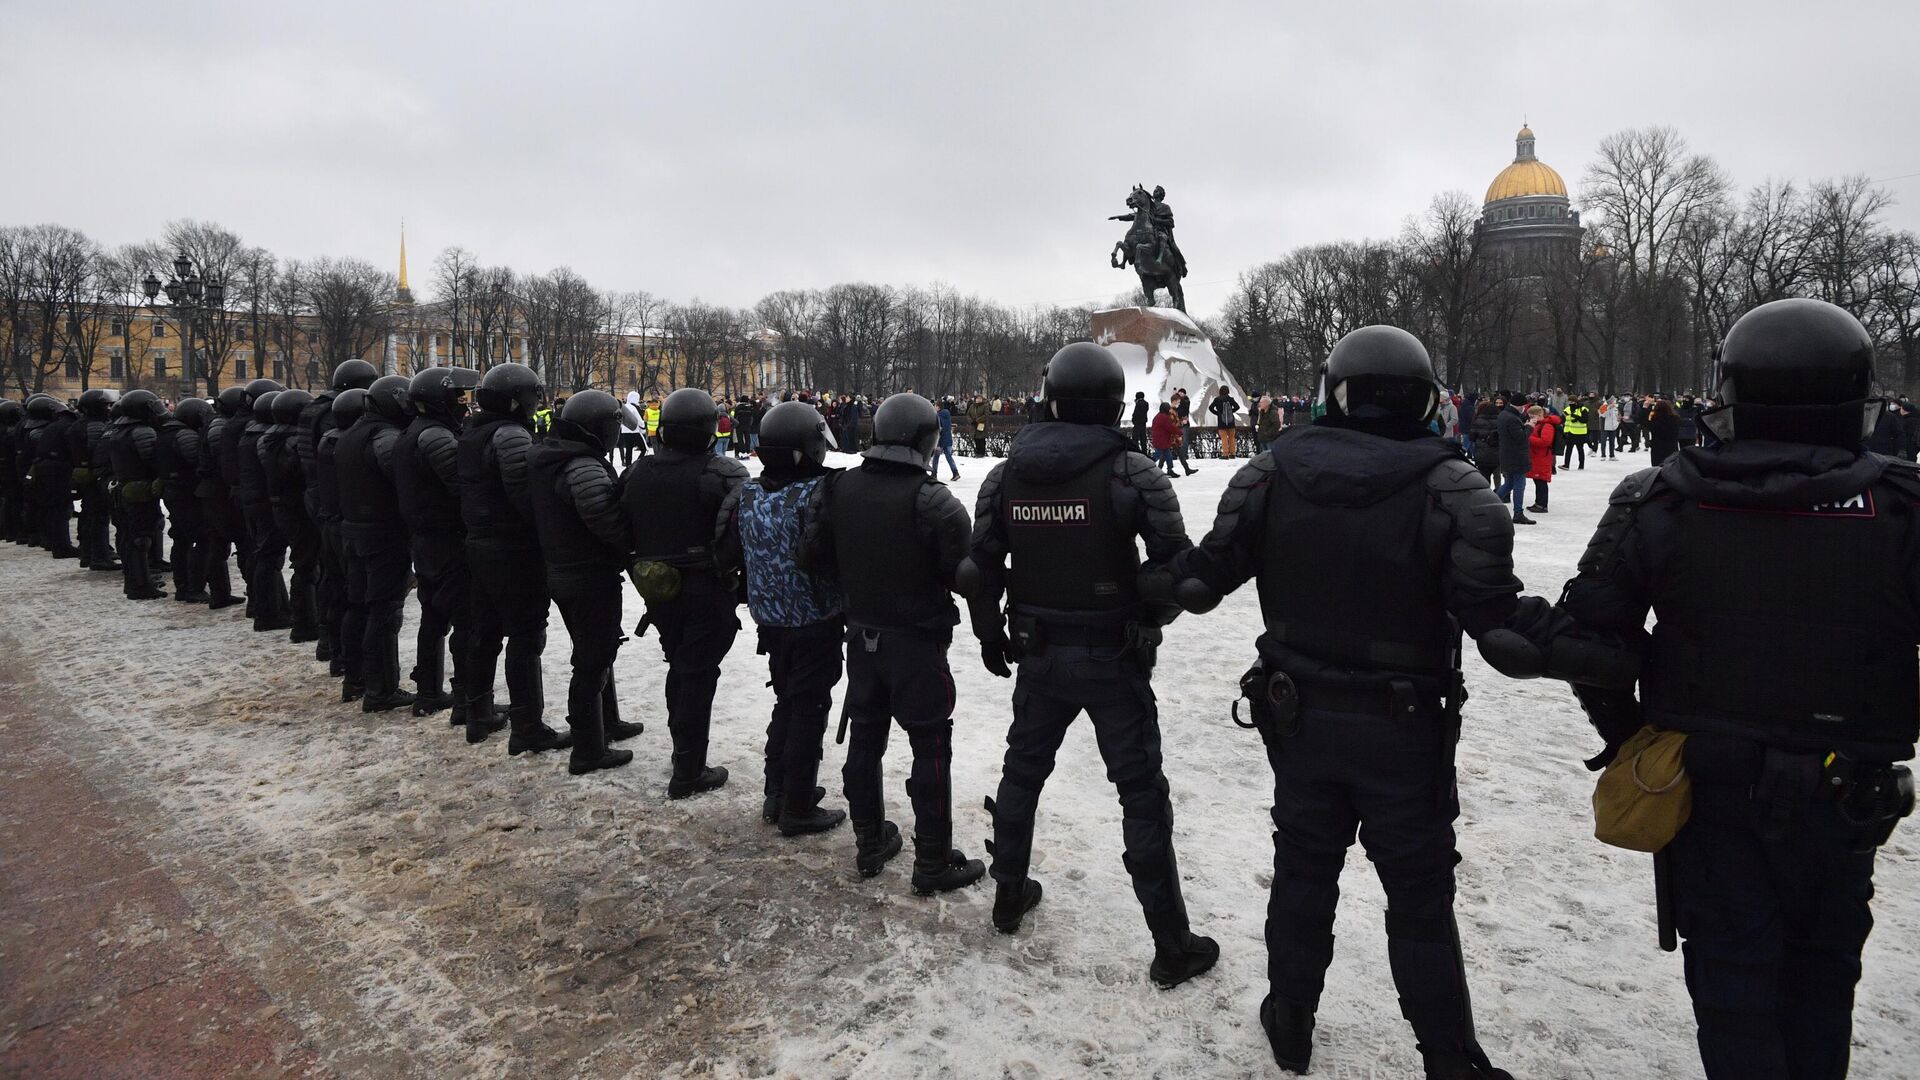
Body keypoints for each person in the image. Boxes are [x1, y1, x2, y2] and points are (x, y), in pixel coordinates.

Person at [1157, 325, 1534, 1079]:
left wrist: (1111, 576)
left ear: (1336, 391)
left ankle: (1290, 1016)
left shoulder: (1269, 473)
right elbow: (1499, 628)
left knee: (1303, 869)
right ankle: (1450, 1056)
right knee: (1419, 895)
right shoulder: (1453, 488)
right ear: (1425, 398)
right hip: (1404, 725)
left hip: (1299, 716)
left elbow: (1200, 583)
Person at [1556, 298, 1919, 1079]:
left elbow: (1592, 638)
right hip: (1841, 788)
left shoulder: (1663, 497)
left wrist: (1631, 735)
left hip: (1716, 780)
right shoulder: (1900, 505)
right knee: (1820, 985)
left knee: (1734, 987)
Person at [961, 341, 1217, 988]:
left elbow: (979, 568)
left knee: (1022, 775)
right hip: (1112, 652)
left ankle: (1008, 893)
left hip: (1039, 650)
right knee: (1139, 793)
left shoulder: (1005, 475)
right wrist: (1145, 619)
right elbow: (1174, 571)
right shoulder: (1132, 473)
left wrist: (989, 632)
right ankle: (1170, 942)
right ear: (1109, 402)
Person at [807, 393, 986, 892]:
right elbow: (963, 574)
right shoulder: (932, 500)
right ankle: (931, 861)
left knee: (866, 738)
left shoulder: (838, 488)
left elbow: (813, 556)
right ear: (927, 441)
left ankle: (870, 842)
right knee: (929, 747)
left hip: (862, 633)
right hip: (915, 642)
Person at [714, 400, 847, 835]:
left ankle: (779, 791)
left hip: (769, 619)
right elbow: (828, 557)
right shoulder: (819, 493)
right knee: (808, 707)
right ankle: (797, 805)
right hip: (814, 619)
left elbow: (728, 554)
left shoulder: (747, 493)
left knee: (788, 700)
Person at [622, 388, 745, 797]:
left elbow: (620, 525)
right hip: (705, 589)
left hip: (658, 588)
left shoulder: (639, 472)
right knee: (694, 675)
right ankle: (689, 769)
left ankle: (685, 759)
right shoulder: (720, 474)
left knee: (682, 669)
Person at [459, 363, 571, 752]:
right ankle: (527, 726)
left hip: (480, 544)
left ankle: (477, 713)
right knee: (526, 634)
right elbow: (526, 494)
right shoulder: (508, 435)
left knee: (484, 631)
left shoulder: (474, 432)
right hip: (512, 549)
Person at [529, 390, 640, 775]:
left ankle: (606, 722)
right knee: (592, 659)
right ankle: (589, 749)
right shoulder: (581, 465)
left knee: (597, 650)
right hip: (586, 573)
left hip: (563, 569)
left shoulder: (553, 455)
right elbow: (607, 521)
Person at [396, 365, 483, 726]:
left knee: (433, 616)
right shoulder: (435, 436)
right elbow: (461, 486)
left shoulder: (415, 432)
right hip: (446, 539)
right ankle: (466, 699)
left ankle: (429, 691)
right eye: (458, 397)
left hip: (426, 540)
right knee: (465, 620)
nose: (464, 404)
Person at [336, 375, 417, 713]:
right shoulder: (384, 436)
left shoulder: (353, 432)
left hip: (356, 530)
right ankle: (381, 688)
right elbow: (402, 477)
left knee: (359, 607)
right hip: (382, 534)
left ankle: (355, 678)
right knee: (384, 611)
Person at [297, 360, 379, 670]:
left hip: (317, 496)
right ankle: (340, 650)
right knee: (344, 583)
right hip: (335, 502)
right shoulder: (336, 413)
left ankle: (328, 641)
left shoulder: (313, 408)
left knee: (330, 575)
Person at [315, 389, 366, 699]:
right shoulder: (355, 441)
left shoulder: (329, 438)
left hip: (334, 521)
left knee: (339, 593)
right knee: (362, 603)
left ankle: (338, 656)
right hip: (355, 526)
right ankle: (360, 674)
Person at [261, 389, 321, 644]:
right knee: (306, 566)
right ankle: (305, 623)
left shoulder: (268, 438)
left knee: (301, 563)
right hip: (297, 507)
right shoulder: (293, 442)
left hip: (281, 505)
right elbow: (304, 473)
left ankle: (303, 619)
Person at [236, 379, 291, 631]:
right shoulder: (263, 435)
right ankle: (268, 614)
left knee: (263, 556)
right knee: (269, 559)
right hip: (265, 501)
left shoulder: (249, 431)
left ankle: (265, 608)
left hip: (252, 500)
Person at [107, 390, 169, 600]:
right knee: (141, 538)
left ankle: (135, 581)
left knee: (130, 536)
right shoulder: (142, 431)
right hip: (140, 489)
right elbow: (153, 460)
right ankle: (140, 585)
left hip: (125, 488)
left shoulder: (118, 429)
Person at [196, 386, 250, 611]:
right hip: (219, 493)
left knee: (218, 545)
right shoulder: (220, 427)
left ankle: (220, 594)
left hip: (211, 491)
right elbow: (224, 461)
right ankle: (230, 593)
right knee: (238, 543)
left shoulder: (216, 424)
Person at [157, 398, 213, 603]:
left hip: (174, 492)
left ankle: (183, 584)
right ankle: (194, 586)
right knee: (200, 539)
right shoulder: (186, 435)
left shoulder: (166, 432)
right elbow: (196, 462)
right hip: (187, 493)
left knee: (181, 540)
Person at [72, 388, 121, 572]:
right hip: (94, 476)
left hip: (86, 475)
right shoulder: (95, 426)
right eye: (105, 405)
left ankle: (88, 553)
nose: (108, 409)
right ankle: (99, 556)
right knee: (98, 517)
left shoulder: (81, 424)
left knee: (89, 515)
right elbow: (98, 452)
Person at [31, 396, 79, 558]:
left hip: (45, 470)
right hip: (58, 471)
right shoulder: (68, 427)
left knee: (51, 510)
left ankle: (53, 542)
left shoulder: (52, 427)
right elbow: (72, 451)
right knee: (60, 510)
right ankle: (62, 547)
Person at [1493, 393, 1534, 524]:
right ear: (1521, 406)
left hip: (1507, 454)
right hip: (1516, 456)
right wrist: (1529, 427)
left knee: (1509, 483)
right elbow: (1520, 438)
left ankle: (1490, 502)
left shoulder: (1504, 415)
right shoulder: (1511, 418)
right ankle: (1518, 513)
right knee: (1519, 485)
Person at [1525, 405, 1560, 515]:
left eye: (1532, 417)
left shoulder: (1547, 425)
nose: (1531, 419)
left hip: (1542, 457)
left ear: (1539, 415)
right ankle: (1538, 502)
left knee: (1541, 481)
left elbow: (1546, 441)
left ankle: (1542, 505)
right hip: (1537, 456)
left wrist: (1528, 438)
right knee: (1538, 481)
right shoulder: (1539, 424)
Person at [0, 399, 22, 544]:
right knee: (13, 500)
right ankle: (12, 531)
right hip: (10, 469)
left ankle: (7, 531)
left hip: (6, 468)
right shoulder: (11, 431)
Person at [1468, 397, 1501, 487]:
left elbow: (1472, 437)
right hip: (1497, 452)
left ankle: (1486, 493)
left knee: (1484, 475)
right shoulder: (1500, 421)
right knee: (1497, 474)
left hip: (1482, 453)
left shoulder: (1477, 421)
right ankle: (1500, 492)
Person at [932, 397, 961, 482]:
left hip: (940, 440)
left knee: (936, 458)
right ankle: (955, 473)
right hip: (948, 439)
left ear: (938, 407)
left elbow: (939, 428)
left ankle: (934, 474)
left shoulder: (938, 416)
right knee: (949, 457)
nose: (934, 407)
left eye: (935, 406)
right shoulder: (947, 414)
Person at [1149, 400, 1180, 476]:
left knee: (1168, 456)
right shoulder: (1164, 418)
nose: (1169, 410)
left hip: (1160, 440)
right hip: (1162, 440)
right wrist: (1180, 432)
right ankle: (1147, 467)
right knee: (1157, 456)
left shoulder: (1158, 416)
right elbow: (1170, 428)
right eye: (1168, 408)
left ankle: (1170, 470)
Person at [1171, 389, 1198, 476]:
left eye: (1182, 393)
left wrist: (1179, 397)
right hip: (1177, 427)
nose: (1180, 394)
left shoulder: (1186, 400)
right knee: (1174, 444)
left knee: (1184, 441)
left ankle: (1185, 459)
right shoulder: (1174, 406)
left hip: (1183, 424)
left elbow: (1185, 406)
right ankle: (1174, 460)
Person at [1210, 385, 1241, 458]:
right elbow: (1237, 407)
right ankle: (1233, 453)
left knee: (1224, 438)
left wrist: (1218, 413)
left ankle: (1225, 454)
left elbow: (1210, 408)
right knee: (1231, 437)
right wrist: (1231, 412)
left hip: (1221, 422)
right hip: (1231, 422)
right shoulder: (1230, 399)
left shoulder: (1217, 399)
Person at [1648, 397, 1680, 466]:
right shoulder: (1675, 418)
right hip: (1671, 445)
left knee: (1657, 466)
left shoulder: (1654, 419)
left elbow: (1648, 426)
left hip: (1657, 446)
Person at [1561, 395, 1590, 469]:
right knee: (1568, 450)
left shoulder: (1583, 409)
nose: (1570, 403)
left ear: (1576, 402)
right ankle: (1566, 465)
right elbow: (1563, 418)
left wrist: (1576, 417)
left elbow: (1585, 420)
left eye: (1572, 401)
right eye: (1569, 402)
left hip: (1580, 433)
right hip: (1570, 432)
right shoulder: (1567, 409)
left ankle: (1581, 465)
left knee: (1580, 449)